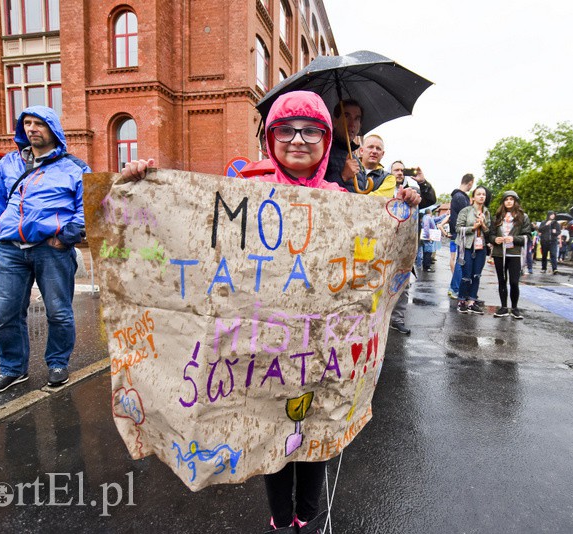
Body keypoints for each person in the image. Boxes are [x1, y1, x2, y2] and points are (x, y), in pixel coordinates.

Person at [122, 90, 419, 534]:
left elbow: (374, 255)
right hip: (265, 350)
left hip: (321, 348)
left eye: (311, 130)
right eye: (286, 129)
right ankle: (282, 520)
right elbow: (191, 226)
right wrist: (141, 184)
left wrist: (405, 205)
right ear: (269, 136)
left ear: (326, 138)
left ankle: (309, 517)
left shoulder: (344, 200)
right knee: (269, 432)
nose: (298, 139)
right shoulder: (246, 193)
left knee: (315, 432)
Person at [0, 106, 90, 394]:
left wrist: (66, 237)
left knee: (59, 312)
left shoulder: (75, 168)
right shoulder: (8, 164)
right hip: (10, 249)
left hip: (51, 249)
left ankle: (57, 363)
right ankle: (12, 369)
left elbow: (87, 206)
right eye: (27, 123)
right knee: (6, 313)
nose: (32, 129)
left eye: (39, 123)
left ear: (53, 128)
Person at [389, 161, 437, 335]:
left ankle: (397, 319)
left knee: (403, 284)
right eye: (396, 170)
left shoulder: (413, 194)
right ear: (390, 172)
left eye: (402, 170)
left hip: (406, 246)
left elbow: (431, 200)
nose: (400, 173)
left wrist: (422, 182)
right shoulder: (382, 188)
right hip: (385, 245)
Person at [487, 190, 531, 319]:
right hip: (499, 253)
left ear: (516, 201)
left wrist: (514, 239)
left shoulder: (523, 217)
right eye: (506, 199)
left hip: (514, 253)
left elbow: (527, 236)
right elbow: (490, 235)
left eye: (512, 199)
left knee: (513, 282)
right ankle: (503, 307)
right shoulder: (497, 217)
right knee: (502, 280)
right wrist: (495, 239)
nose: (509, 201)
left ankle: (515, 308)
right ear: (503, 202)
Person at [455, 185, 490, 314]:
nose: (481, 196)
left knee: (477, 275)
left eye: (483, 194)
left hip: (481, 247)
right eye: (479, 194)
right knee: (466, 275)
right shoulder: (466, 211)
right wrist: (473, 228)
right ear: (473, 197)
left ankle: (472, 301)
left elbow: (488, 231)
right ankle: (462, 300)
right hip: (467, 246)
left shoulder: (486, 212)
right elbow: (458, 228)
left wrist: (484, 225)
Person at [324, 98, 364, 191]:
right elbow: (315, 191)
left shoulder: (356, 160)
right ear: (335, 121)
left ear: (360, 125)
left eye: (357, 118)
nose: (352, 124)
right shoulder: (324, 152)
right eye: (346, 116)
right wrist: (343, 176)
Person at [447, 174, 475, 298]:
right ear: (470, 183)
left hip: (458, 233)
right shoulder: (461, 197)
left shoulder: (457, 196)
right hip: (461, 234)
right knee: (460, 261)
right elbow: (467, 217)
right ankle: (455, 289)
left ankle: (454, 287)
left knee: (459, 260)